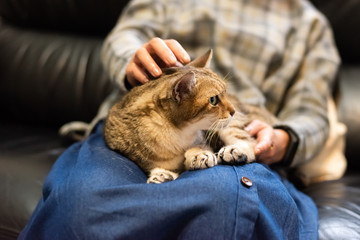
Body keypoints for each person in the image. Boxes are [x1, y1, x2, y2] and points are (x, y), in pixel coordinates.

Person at [19, 0, 340, 239]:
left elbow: (311, 112)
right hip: (141, 126)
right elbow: (124, 36)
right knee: (80, 206)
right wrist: (133, 59)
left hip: (229, 132)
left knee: (224, 204)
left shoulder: (309, 25)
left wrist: (285, 138)